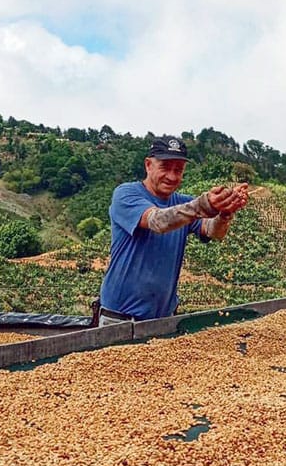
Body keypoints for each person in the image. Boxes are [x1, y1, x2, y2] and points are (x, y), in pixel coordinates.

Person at [98, 135, 249, 325]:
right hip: (120, 319)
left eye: (178, 170)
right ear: (148, 165)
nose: (171, 176)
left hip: (164, 319)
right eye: (165, 167)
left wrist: (225, 214)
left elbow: (212, 231)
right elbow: (157, 221)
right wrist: (203, 205)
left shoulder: (184, 203)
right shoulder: (126, 194)